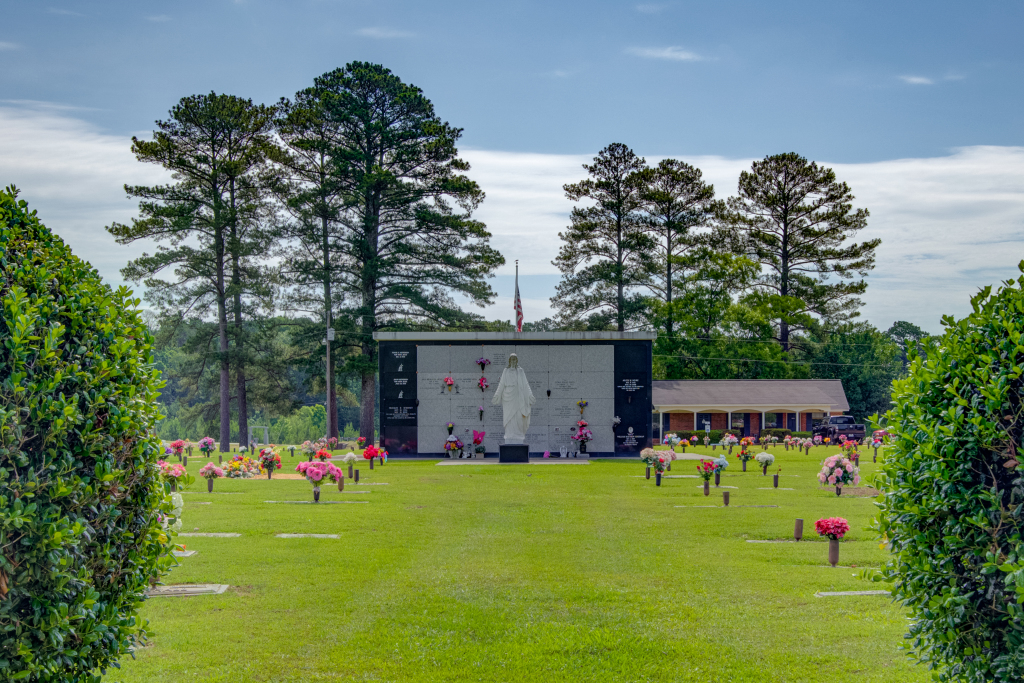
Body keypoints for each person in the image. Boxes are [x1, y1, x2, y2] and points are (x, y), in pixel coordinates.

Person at [491, 353, 536, 444]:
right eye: (512, 360)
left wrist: (530, 395)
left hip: (518, 396)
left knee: (519, 417)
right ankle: (509, 435)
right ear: (509, 361)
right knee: (509, 418)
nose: (513, 361)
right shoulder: (506, 371)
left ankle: (518, 435)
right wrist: (496, 395)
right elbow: (501, 384)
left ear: (517, 361)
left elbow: (526, 384)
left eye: (515, 360)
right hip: (508, 397)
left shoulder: (520, 371)